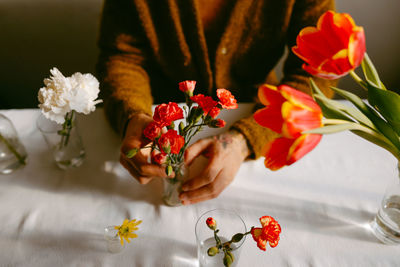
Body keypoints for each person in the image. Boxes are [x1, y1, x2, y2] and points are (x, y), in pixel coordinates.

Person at [96, 0, 336, 205]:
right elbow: (122, 56)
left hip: (255, 114)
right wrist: (132, 113)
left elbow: (314, 75)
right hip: (159, 113)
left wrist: (246, 140)